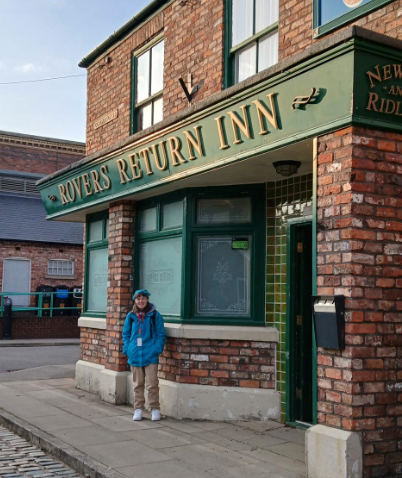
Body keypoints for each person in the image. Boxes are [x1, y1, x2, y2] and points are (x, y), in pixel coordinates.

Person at [122, 289, 166, 421]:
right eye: (138, 298)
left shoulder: (154, 315)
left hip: (150, 354)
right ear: (135, 300)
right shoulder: (131, 316)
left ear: (147, 300)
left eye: (143, 298)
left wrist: (156, 349)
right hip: (135, 355)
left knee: (152, 384)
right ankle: (138, 409)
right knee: (137, 385)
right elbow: (126, 334)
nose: (141, 301)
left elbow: (160, 334)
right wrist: (128, 349)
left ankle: (155, 409)